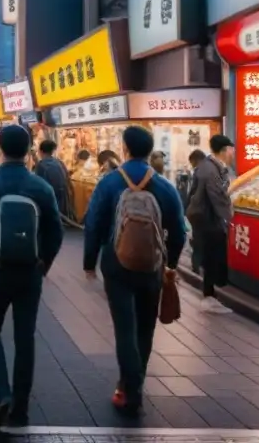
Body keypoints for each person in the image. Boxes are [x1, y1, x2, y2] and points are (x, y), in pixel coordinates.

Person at [0, 125, 64, 431]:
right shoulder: (40, 187)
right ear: (30, 148)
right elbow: (55, 231)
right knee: (25, 338)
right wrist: (42, 263)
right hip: (29, 273)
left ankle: (1, 394)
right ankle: (20, 408)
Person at [83, 126, 187, 417]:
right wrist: (171, 265)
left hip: (116, 263)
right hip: (152, 264)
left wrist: (89, 262)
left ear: (124, 148)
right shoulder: (165, 186)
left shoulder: (109, 182)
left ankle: (130, 388)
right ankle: (133, 384)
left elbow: (94, 224)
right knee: (145, 327)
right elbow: (178, 231)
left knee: (124, 328)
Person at [187, 134, 235, 313]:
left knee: (211, 257)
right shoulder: (210, 170)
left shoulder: (209, 166)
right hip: (207, 220)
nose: (233, 154)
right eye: (232, 150)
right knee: (212, 257)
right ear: (224, 150)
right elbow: (217, 197)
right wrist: (229, 217)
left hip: (205, 218)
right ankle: (209, 297)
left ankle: (210, 295)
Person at [34, 139, 70, 218]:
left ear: (40, 151)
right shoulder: (59, 162)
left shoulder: (41, 165)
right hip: (62, 197)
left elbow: (39, 185)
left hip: (50, 199)